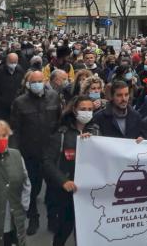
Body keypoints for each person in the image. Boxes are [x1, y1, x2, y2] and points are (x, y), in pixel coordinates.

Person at [10, 70, 62, 235]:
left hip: (51, 153)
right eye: (34, 82)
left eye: (40, 81)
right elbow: (15, 130)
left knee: (53, 187)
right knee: (32, 187)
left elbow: (60, 122)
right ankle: (33, 217)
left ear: (45, 81)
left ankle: (53, 218)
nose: (37, 84)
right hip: (29, 152)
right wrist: (15, 153)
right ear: (28, 84)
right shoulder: (20, 102)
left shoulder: (54, 96)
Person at [43, 96, 100, 246]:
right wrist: (63, 181)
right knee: (64, 229)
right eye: (83, 109)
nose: (86, 112)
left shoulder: (97, 131)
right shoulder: (62, 133)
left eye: (89, 109)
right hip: (67, 192)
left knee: (85, 231)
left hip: (89, 191)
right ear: (75, 110)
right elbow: (47, 162)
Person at [0, 53, 26, 121]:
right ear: (7, 61)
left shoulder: (20, 71)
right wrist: (0, 99)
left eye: (15, 62)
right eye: (11, 62)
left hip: (16, 103)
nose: (13, 64)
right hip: (2, 105)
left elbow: (22, 86)